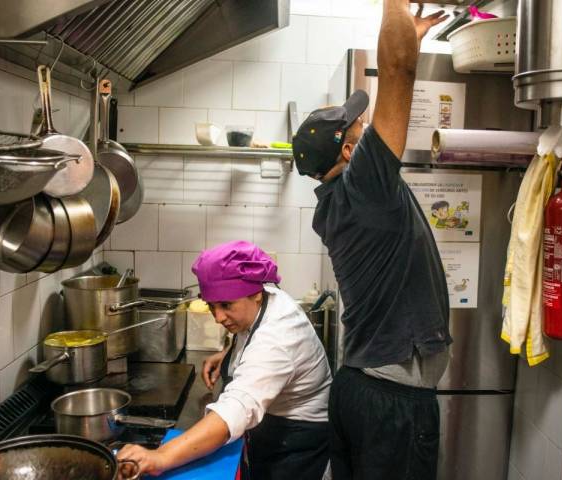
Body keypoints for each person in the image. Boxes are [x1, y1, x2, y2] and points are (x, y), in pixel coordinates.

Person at [292, 2, 452, 479]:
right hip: (391, 403)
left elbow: (402, 64)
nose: (365, 130)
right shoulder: (365, 187)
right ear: (346, 151)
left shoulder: (338, 202)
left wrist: (410, 36)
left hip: (362, 390)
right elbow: (399, 69)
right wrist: (394, 9)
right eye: (357, 128)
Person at [117, 241, 332, 480]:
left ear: (256, 295)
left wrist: (160, 457)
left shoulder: (278, 339)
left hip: (296, 442)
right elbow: (251, 333)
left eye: (226, 305)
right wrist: (230, 353)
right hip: (272, 428)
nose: (218, 317)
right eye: (211, 306)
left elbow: (235, 409)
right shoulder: (263, 298)